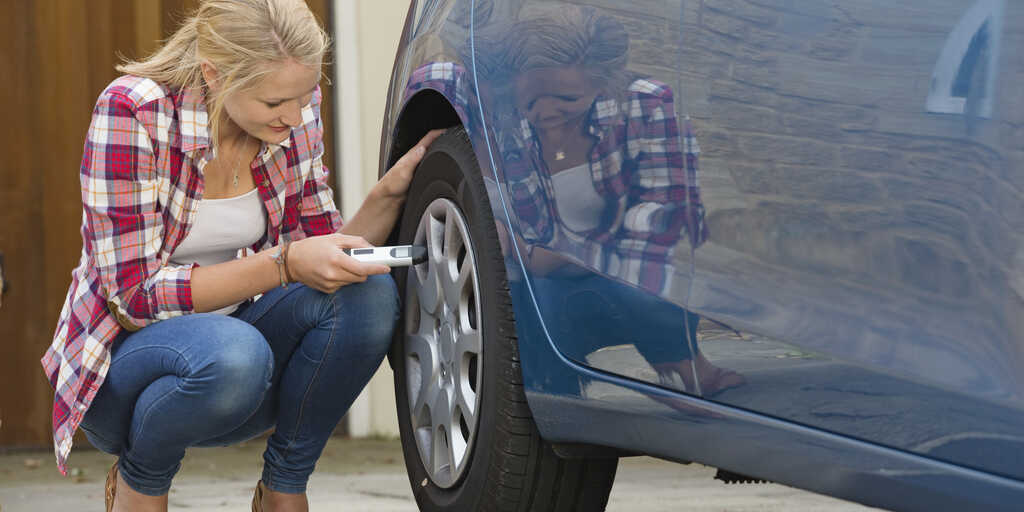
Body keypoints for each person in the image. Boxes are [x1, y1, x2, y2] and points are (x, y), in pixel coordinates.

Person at [39, 1, 442, 511]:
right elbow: (135, 297)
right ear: (215, 73)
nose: (295, 116)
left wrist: (387, 197)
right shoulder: (133, 112)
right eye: (276, 102)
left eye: (305, 95)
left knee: (367, 295)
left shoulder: (294, 113)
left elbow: (319, 251)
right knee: (234, 352)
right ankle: (141, 480)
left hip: (241, 371)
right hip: (126, 370)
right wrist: (284, 263)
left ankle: (283, 488)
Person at [473, 4, 745, 397]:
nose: (546, 112)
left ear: (603, 82)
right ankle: (557, 403)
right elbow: (528, 239)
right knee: (537, 302)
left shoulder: (646, 105)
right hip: (553, 287)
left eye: (565, 97)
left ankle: (689, 371)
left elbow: (664, 215)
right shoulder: (508, 125)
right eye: (531, 101)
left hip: (634, 276)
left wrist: (558, 253)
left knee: (645, 287)